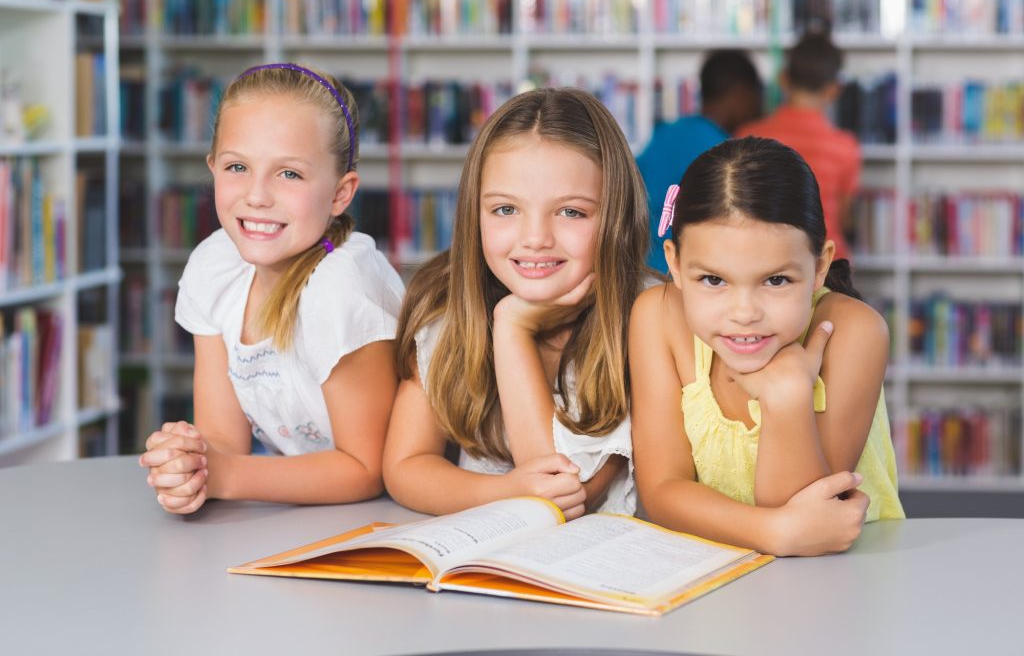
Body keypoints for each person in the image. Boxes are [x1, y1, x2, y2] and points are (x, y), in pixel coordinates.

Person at [138, 63, 405, 514]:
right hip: (298, 513)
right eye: (237, 166)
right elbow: (224, 440)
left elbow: (365, 468)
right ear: (213, 168)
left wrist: (225, 475)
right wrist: (192, 464)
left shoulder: (342, 287)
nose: (257, 195)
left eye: (289, 174)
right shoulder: (214, 266)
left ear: (341, 194)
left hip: (381, 518)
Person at [383, 88, 652, 521]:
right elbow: (406, 466)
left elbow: (566, 493)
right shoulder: (448, 309)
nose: (535, 238)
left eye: (571, 213)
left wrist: (512, 328)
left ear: (616, 217)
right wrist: (505, 491)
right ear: (475, 213)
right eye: (506, 209)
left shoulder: (643, 319)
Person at [630, 137, 904, 557]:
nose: (744, 313)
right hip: (716, 585)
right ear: (675, 263)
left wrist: (788, 397)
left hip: (840, 584)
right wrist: (775, 532)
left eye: (775, 280)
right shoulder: (656, 317)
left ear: (819, 267)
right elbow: (662, 491)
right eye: (714, 280)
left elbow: (810, 518)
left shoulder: (854, 331)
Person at [736, 32, 861, 261]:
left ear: (783, 79)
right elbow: (844, 219)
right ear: (834, 89)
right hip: (828, 261)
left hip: (766, 261)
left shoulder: (748, 135)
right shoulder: (846, 147)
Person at [636, 49, 763, 272]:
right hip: (694, 273)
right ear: (740, 94)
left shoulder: (665, 133)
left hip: (645, 266)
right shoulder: (728, 154)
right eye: (755, 97)